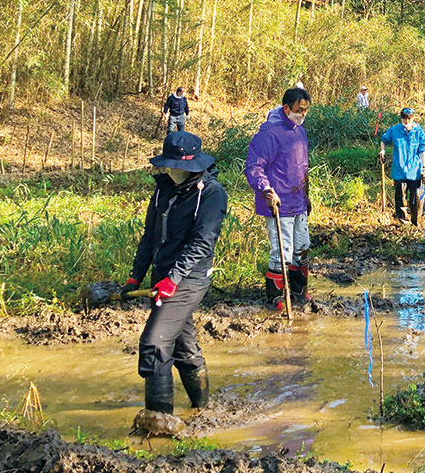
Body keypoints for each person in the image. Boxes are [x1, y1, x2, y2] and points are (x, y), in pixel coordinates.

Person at [124, 132, 227, 417]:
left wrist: (174, 279)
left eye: (176, 166)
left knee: (154, 343)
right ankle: (202, 410)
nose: (171, 171)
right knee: (182, 346)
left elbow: (202, 242)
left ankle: (159, 422)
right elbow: (149, 236)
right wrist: (136, 276)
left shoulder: (212, 194)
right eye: (168, 165)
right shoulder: (162, 190)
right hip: (162, 277)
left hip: (190, 279)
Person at [245, 87, 312, 310]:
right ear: (286, 108)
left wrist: (307, 195)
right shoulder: (269, 133)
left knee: (302, 249)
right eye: (299, 110)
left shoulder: (300, 132)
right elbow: (254, 167)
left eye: (305, 111)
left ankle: (299, 292)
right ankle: (276, 298)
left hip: (298, 202)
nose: (302, 114)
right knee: (282, 252)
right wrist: (266, 189)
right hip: (277, 203)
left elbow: (304, 167)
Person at [381, 107, 425, 224]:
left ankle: (415, 222)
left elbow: (423, 150)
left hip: (415, 171)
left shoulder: (418, 132)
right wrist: (382, 151)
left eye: (409, 119)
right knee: (400, 199)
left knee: (416, 199)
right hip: (399, 170)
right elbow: (384, 140)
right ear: (401, 118)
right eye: (404, 119)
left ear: (413, 118)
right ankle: (402, 222)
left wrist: (424, 168)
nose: (407, 121)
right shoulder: (394, 130)